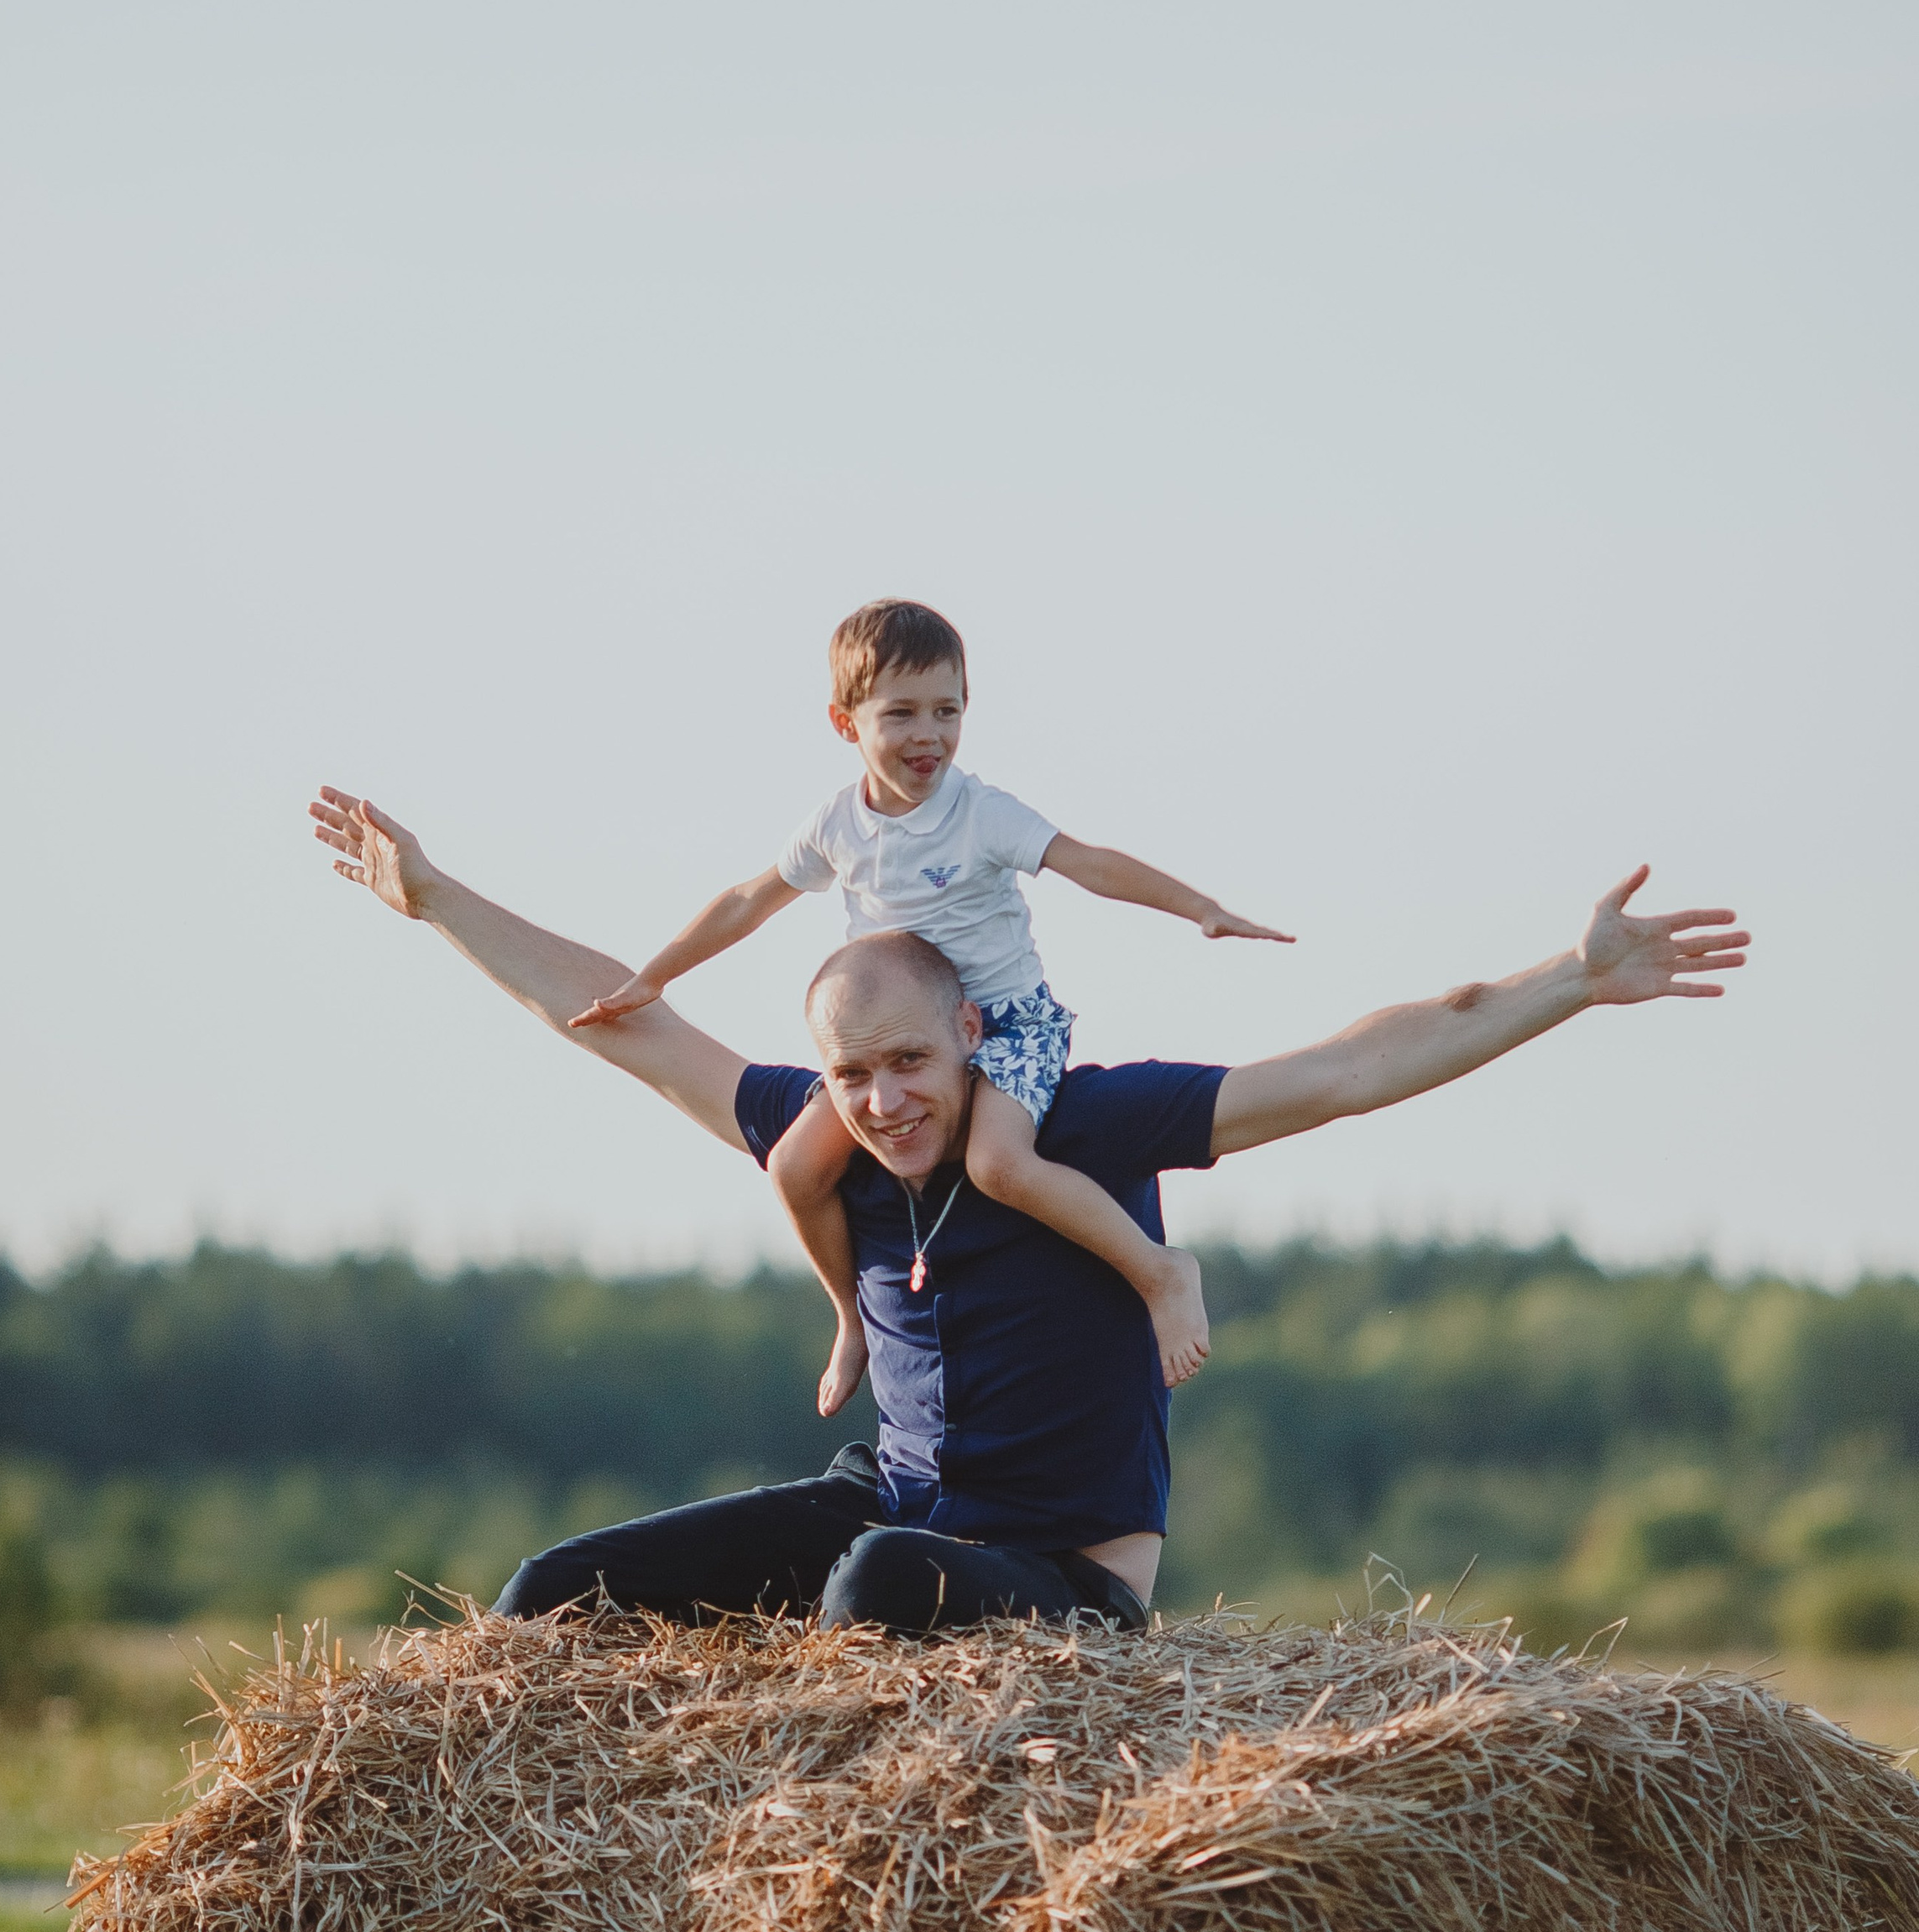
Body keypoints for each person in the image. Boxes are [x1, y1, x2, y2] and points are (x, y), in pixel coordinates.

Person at [306, 784, 1748, 1637]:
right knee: (556, 1593)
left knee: (873, 1591)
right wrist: (433, 897)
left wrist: (1567, 980)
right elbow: (618, 1018)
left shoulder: (1086, 1121)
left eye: (909, 1065)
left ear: (977, 1040)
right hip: (900, 1506)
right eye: (850, 1075)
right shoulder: (840, 1145)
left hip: (1063, 1574)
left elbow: (1351, 1071)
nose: (881, 1103)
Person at [565, 598, 1292, 1414]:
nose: (930, 735)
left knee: (997, 1165)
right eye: (902, 713)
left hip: (1008, 1025)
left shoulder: (980, 813)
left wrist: (1198, 906)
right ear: (845, 723)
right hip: (905, 1040)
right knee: (797, 1166)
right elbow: (745, 901)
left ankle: (1161, 1271)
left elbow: (1087, 862)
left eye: (948, 712)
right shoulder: (837, 825)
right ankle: (850, 1317)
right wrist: (653, 977)